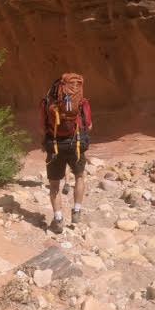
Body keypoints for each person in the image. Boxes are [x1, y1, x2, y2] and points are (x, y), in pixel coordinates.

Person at [41, 73, 93, 234]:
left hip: (55, 146)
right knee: (79, 176)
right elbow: (88, 126)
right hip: (75, 144)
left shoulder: (47, 102)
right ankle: (77, 210)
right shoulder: (82, 102)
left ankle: (58, 219)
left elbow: (42, 128)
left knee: (54, 185)